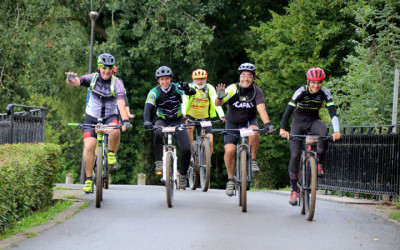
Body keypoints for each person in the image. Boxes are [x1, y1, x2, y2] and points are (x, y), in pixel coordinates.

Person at [65, 53, 130, 193]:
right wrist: (70, 79)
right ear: (99, 67)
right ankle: (89, 179)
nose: (107, 71)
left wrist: (125, 120)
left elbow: (121, 103)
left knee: (115, 129)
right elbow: (76, 82)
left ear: (113, 69)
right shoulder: (92, 78)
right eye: (104, 67)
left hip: (109, 115)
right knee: (89, 146)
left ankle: (111, 153)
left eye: (110, 68)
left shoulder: (117, 82)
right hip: (91, 116)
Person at [279, 67, 341, 205]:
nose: (316, 86)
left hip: (314, 120)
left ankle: (318, 161)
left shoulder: (325, 92)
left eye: (319, 82)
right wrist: (283, 129)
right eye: (313, 82)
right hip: (298, 123)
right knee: (295, 155)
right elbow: (288, 110)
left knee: (324, 133)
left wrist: (336, 131)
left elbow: (332, 112)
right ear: (308, 81)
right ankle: (294, 190)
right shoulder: (301, 91)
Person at [215, 62, 275, 197]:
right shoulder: (232, 88)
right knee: (229, 150)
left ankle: (253, 159)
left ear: (253, 78)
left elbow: (261, 109)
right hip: (232, 123)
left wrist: (267, 124)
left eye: (249, 76)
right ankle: (230, 179)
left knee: (254, 130)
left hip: (249, 121)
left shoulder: (256, 91)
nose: (246, 79)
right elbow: (218, 103)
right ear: (239, 77)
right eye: (243, 75)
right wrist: (219, 97)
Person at [143, 66, 196, 190]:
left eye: (167, 79)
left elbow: (192, 92)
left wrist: (187, 88)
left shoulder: (177, 87)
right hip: (162, 120)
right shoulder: (154, 92)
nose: (164, 82)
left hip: (178, 120)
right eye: (162, 79)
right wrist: (146, 121)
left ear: (171, 79)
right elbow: (148, 108)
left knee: (186, 148)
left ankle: (183, 176)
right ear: (158, 81)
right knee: (157, 132)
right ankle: (159, 162)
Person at [182, 69, 225, 155]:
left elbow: (214, 101)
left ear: (205, 79)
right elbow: (184, 101)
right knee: (188, 129)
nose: (200, 81)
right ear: (193, 80)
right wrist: (183, 114)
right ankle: (190, 155)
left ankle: (206, 165)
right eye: (197, 79)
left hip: (205, 118)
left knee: (210, 142)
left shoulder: (209, 88)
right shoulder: (189, 88)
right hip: (191, 116)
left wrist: (222, 115)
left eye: (202, 79)